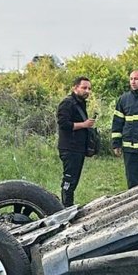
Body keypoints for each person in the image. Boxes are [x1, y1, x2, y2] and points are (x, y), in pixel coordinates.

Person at [56, 76, 96, 206]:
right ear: (75, 88)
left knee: (74, 180)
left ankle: (68, 205)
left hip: (78, 148)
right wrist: (84, 125)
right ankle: (65, 207)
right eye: (84, 88)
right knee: (69, 180)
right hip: (69, 148)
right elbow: (63, 124)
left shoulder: (80, 103)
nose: (87, 91)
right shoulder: (67, 103)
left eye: (89, 88)